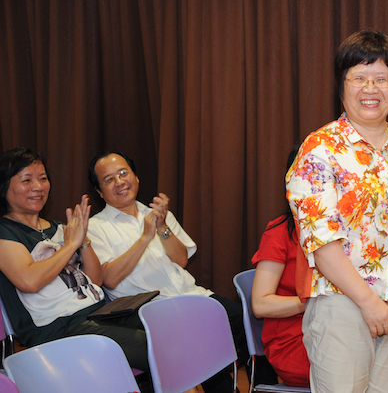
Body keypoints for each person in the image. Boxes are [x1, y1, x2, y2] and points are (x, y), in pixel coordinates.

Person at [285, 30, 388, 392]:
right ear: (341, 86)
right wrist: (369, 303)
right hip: (341, 306)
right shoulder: (319, 149)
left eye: (382, 79)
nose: (370, 88)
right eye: (359, 77)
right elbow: (321, 241)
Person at [252, 149, 388, 392]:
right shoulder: (281, 231)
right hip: (297, 340)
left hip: (350, 322)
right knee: (386, 328)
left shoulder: (353, 233)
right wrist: (323, 298)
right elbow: (260, 304)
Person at [86, 151, 247, 393]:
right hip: (151, 309)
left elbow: (181, 259)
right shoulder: (95, 227)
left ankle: (257, 381)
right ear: (99, 191)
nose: (119, 182)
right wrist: (144, 238)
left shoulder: (159, 214)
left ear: (136, 177)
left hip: (192, 296)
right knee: (202, 342)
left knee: (246, 320)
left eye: (123, 173)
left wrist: (162, 227)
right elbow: (109, 279)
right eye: (109, 179)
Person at [0, 148, 148, 373]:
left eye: (43, 178)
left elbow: (95, 281)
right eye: (26, 180)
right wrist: (70, 245)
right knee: (157, 348)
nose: (38, 187)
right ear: (4, 187)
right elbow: (29, 281)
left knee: (167, 328)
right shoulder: (5, 231)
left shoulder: (60, 227)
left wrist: (83, 241)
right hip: (60, 330)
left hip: (98, 315)